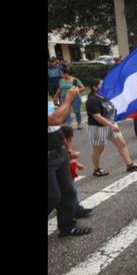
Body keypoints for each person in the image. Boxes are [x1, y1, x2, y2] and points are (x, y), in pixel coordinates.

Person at [49, 86, 92, 236]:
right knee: (52, 196)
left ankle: (68, 226)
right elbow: (55, 119)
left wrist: (67, 150)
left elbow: (57, 128)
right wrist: (68, 99)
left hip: (59, 153)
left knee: (68, 192)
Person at [85, 78, 137, 177]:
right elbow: (97, 116)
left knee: (122, 144)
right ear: (95, 88)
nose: (105, 86)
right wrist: (111, 125)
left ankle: (130, 164)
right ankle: (97, 169)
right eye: (101, 84)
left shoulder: (105, 97)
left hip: (111, 124)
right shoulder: (92, 100)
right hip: (98, 128)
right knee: (98, 150)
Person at [61, 125, 93, 219]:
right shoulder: (63, 148)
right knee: (71, 192)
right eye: (70, 139)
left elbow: (72, 160)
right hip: (66, 174)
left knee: (72, 192)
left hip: (70, 173)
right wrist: (73, 155)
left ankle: (76, 208)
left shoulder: (67, 147)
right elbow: (68, 158)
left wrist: (77, 164)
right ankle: (75, 209)